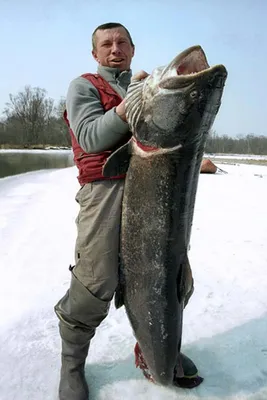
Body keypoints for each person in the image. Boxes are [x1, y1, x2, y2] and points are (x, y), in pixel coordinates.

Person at [54, 22, 202, 400]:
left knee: (165, 273)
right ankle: (71, 365)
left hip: (153, 190)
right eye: (106, 44)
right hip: (103, 193)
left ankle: (152, 345)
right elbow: (89, 136)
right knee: (95, 281)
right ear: (95, 53)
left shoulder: (142, 85)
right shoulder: (83, 86)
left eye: (122, 42)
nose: (115, 49)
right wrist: (125, 110)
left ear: (133, 49)